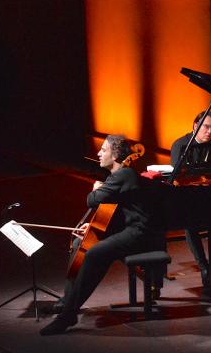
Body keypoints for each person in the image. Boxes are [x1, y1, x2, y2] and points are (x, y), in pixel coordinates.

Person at [40, 134, 166, 336]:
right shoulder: (117, 177)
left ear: (115, 155)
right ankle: (67, 302)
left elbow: (92, 200)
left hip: (140, 234)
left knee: (94, 254)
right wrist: (92, 225)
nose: (99, 153)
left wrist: (95, 188)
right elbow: (120, 213)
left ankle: (67, 316)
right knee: (80, 241)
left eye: (104, 150)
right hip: (128, 230)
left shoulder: (124, 175)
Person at [168, 111, 211, 284]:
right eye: (206, 127)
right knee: (190, 222)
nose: (209, 131)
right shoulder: (181, 145)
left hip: (210, 193)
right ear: (195, 126)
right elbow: (177, 177)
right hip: (186, 195)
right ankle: (203, 265)